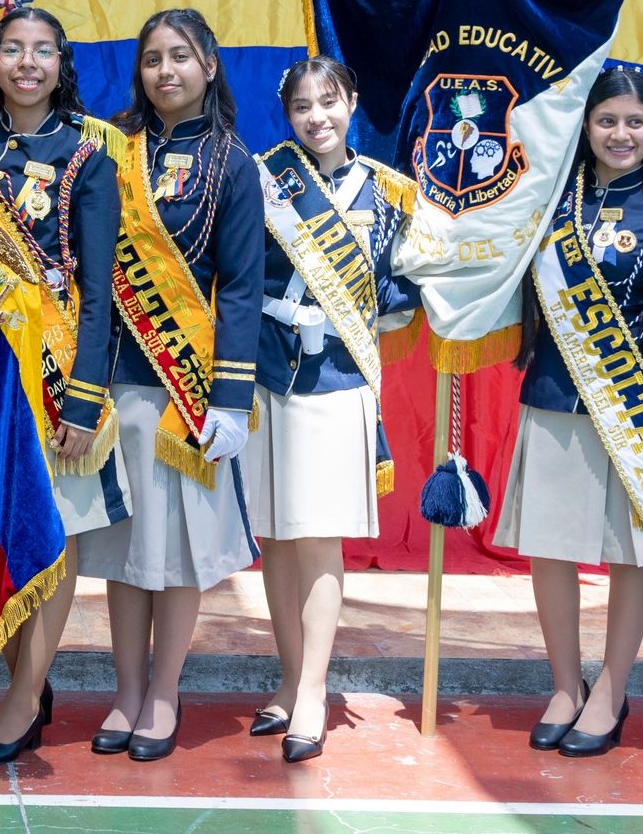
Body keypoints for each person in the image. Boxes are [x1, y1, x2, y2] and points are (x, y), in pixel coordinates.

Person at [492, 66, 643, 758]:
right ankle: (565, 685)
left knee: (631, 555)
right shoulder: (548, 200)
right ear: (585, 126)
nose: (621, 134)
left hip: (638, 408)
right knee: (550, 549)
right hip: (557, 398)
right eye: (607, 120)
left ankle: (611, 692)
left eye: (634, 122)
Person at [76, 9, 263, 762]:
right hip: (117, 380)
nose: (166, 71)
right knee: (126, 552)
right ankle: (126, 692)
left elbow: (242, 288)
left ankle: (163, 693)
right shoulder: (111, 153)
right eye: (153, 59)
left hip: (187, 391)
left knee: (177, 554)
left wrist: (231, 397)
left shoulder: (234, 163)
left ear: (209, 65)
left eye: (180, 56)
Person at [0, 7, 123, 767]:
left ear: (62, 65)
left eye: (43, 51)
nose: (27, 63)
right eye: (13, 49)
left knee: (53, 539)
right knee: (4, 535)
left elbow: (99, 293)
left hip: (54, 378)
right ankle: (26, 678)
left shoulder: (87, 158)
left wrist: (84, 399)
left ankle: (23, 700)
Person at [249, 55, 419, 762]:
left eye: (328, 102)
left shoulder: (389, 191)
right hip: (267, 372)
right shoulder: (264, 176)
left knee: (318, 536)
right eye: (302, 107)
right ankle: (291, 679)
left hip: (338, 377)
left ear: (350, 102)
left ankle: (314, 691)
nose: (316, 117)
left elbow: (403, 294)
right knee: (277, 538)